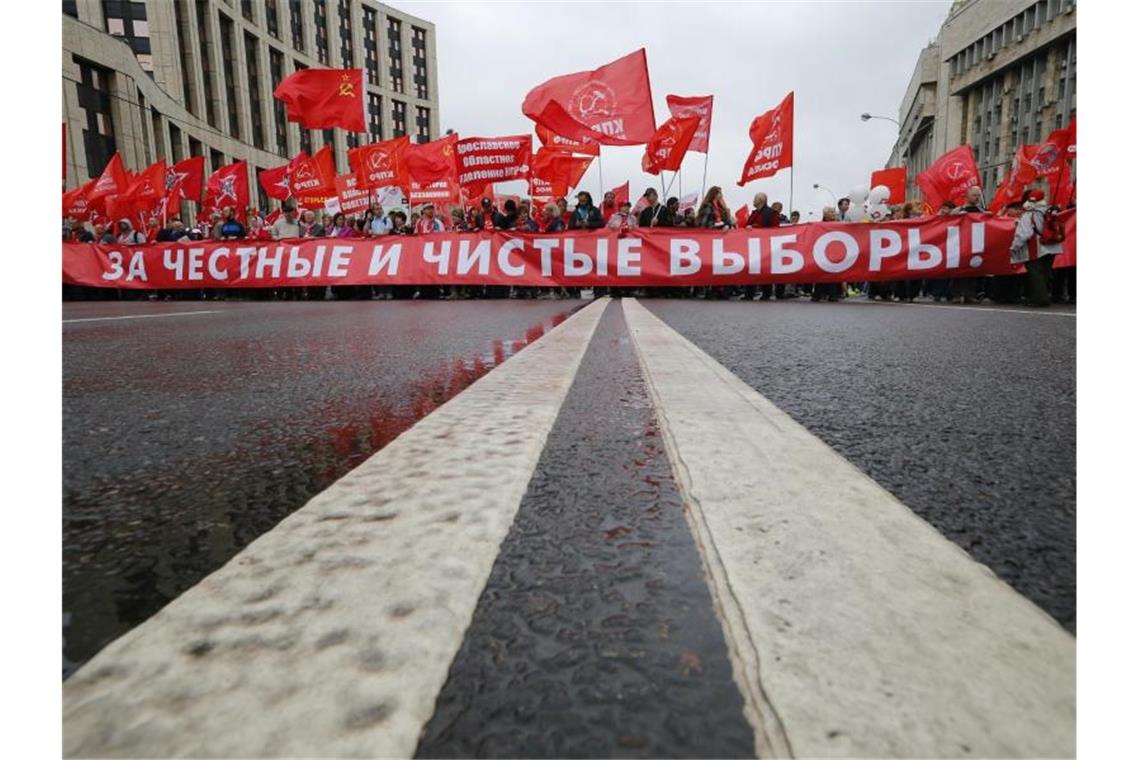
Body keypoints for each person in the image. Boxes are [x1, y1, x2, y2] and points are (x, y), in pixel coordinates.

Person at [1010, 189, 1058, 307]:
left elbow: (1024, 233)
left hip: (1036, 246)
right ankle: (1044, 295)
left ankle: (1040, 299)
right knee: (1046, 272)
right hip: (1052, 246)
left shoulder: (1029, 213)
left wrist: (1014, 246)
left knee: (1035, 273)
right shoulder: (1051, 211)